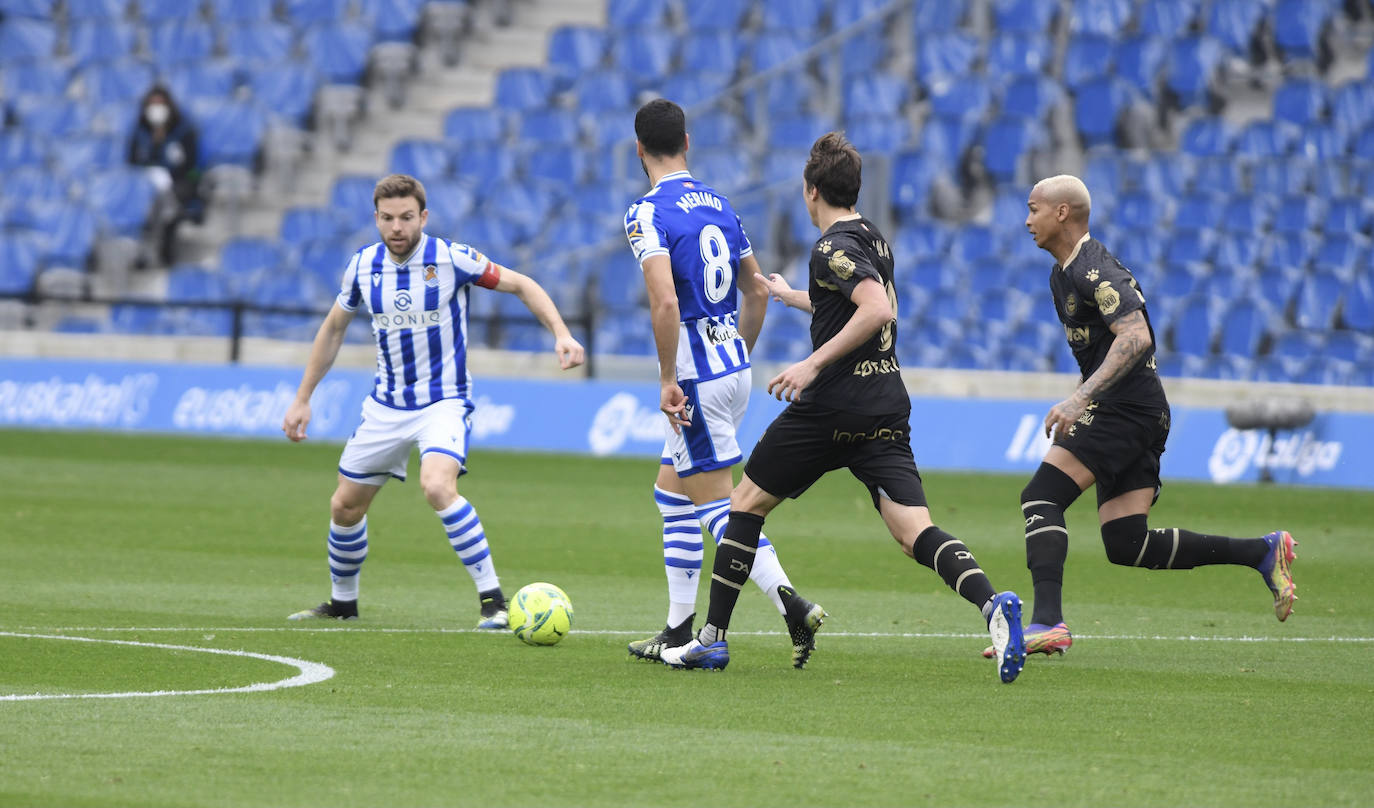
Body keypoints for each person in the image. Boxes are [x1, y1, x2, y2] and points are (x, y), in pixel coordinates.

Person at [661, 133, 1027, 684]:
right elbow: (853, 301)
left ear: (812, 191)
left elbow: (875, 309)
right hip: (885, 405)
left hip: (833, 406)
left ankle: (711, 639)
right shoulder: (873, 238)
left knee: (745, 505)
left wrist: (811, 365)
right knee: (914, 532)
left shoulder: (829, 247)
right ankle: (992, 604)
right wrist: (793, 296)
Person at [989, 174, 1297, 659]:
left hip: (1125, 410)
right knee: (1126, 543)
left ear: (1062, 212)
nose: (1027, 220)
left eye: (1034, 208)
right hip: (1137, 409)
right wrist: (1085, 395)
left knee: (1041, 497)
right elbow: (1105, 350)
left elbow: (1136, 337)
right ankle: (1262, 551)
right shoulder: (1061, 275)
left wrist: (1079, 399)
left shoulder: (1094, 269)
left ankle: (1048, 622)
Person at [283, 174, 585, 627]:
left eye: (406, 217)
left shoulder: (451, 258)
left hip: (444, 401)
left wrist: (561, 334)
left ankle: (494, 602)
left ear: (423, 217)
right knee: (344, 506)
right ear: (376, 218)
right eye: (388, 218)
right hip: (385, 406)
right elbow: (333, 329)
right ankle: (343, 605)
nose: (397, 227)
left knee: (438, 486)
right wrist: (303, 397)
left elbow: (522, 284)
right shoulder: (362, 266)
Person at [622, 98, 826, 668]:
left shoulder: (645, 212)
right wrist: (735, 353)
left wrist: (669, 378)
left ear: (639, 149)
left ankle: (790, 603)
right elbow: (757, 290)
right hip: (733, 365)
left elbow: (665, 301)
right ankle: (676, 628)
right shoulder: (721, 204)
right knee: (672, 493)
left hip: (694, 377)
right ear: (687, 142)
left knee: (721, 508)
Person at [128, 85, 201, 265]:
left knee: (167, 201)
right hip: (146, 184)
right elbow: (131, 162)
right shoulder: (140, 132)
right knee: (143, 201)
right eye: (152, 104)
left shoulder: (183, 130)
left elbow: (191, 166)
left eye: (160, 104)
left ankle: (164, 251)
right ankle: (142, 252)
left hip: (177, 182)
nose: (157, 109)